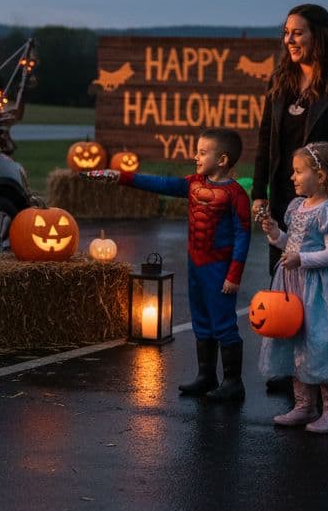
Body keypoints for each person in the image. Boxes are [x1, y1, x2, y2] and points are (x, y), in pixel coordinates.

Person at [88, 128, 252, 401]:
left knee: (223, 322)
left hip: (219, 268)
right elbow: (162, 184)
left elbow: (243, 235)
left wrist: (234, 274)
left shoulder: (236, 195)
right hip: (196, 264)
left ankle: (233, 382)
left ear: (222, 160)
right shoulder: (193, 183)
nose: (195, 157)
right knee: (201, 319)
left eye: (202, 152)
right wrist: (122, 177)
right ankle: (206, 376)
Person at [251, 3, 328, 393]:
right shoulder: (280, 81)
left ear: (319, 35)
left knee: (319, 295)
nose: (289, 40)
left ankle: (322, 374)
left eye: (298, 32)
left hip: (321, 200)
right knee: (287, 286)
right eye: (286, 33)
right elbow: (266, 143)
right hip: (286, 196)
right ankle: (291, 370)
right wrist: (259, 193)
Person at [257, 142, 328, 433]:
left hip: (320, 291)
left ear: (320, 176)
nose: (292, 177)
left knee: (322, 344)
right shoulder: (297, 207)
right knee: (298, 342)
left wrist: (302, 259)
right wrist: (276, 235)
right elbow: (291, 245)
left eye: (298, 171)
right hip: (294, 287)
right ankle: (304, 406)